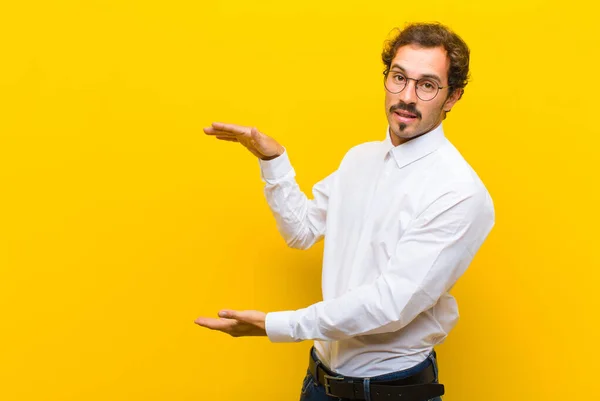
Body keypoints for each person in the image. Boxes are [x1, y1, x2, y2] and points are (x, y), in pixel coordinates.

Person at [195, 22, 495, 401]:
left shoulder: (458, 192)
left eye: (427, 85)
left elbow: (389, 306)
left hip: (392, 392)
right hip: (319, 383)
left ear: (452, 97)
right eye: (399, 77)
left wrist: (278, 325)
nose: (407, 96)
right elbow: (301, 231)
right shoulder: (360, 159)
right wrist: (274, 161)